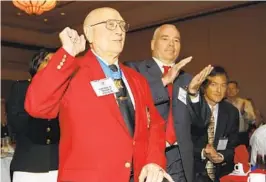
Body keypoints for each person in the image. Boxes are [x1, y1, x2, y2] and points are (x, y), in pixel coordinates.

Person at [24, 7, 173, 182]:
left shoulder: (136, 79)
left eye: (121, 25)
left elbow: (155, 124)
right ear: (89, 33)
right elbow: (37, 106)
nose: (119, 31)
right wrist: (66, 54)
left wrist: (154, 161)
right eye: (110, 25)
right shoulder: (72, 71)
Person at [125, 24, 213, 182]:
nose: (171, 44)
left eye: (176, 40)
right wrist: (164, 81)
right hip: (147, 156)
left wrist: (193, 94)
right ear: (153, 44)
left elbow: (202, 122)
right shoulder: (134, 70)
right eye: (165, 39)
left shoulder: (187, 79)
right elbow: (131, 104)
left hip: (180, 158)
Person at [6, 49, 60, 182]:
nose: (51, 65)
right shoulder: (21, 88)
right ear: (36, 65)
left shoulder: (63, 92)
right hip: (28, 165)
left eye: (55, 62)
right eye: (47, 60)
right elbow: (17, 124)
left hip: (57, 165)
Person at [191, 66, 239, 181]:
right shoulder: (192, 107)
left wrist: (220, 156)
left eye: (223, 85)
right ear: (204, 86)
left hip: (221, 174)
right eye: (214, 85)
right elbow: (183, 143)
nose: (219, 90)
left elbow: (233, 145)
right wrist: (203, 152)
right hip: (193, 172)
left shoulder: (231, 112)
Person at [226, 81, 256, 147]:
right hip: (226, 136)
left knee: (242, 156)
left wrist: (244, 113)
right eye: (228, 88)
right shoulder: (221, 104)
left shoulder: (245, 103)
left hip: (241, 135)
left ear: (237, 90)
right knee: (226, 156)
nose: (230, 90)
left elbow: (253, 120)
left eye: (232, 88)